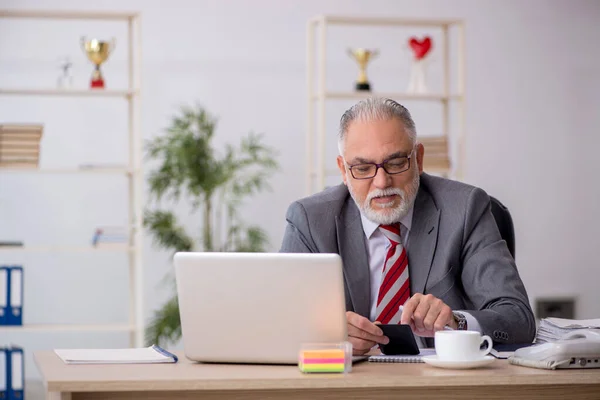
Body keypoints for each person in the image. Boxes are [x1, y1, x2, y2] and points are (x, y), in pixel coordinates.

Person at [280, 97, 535, 355]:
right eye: (363, 167)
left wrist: (456, 321)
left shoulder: (466, 209)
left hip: (441, 384)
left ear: (418, 159)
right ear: (344, 171)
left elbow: (517, 318)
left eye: (395, 163)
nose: (381, 182)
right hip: (347, 382)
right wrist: (327, 334)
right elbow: (280, 320)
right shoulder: (309, 220)